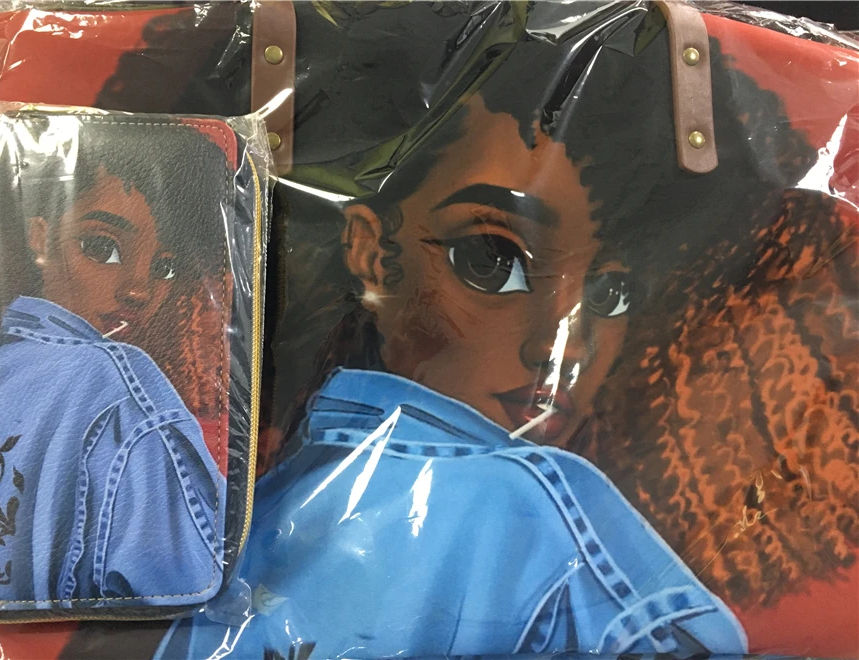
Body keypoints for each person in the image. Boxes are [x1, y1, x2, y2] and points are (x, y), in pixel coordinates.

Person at [159, 5, 857, 656]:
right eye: (491, 262)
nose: (559, 346)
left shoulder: (238, 501)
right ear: (370, 250)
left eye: (610, 294)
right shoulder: (531, 506)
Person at [0, 114, 229, 609]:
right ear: (39, 236)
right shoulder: (119, 385)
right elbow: (187, 589)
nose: (138, 290)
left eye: (165, 268)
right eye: (102, 247)